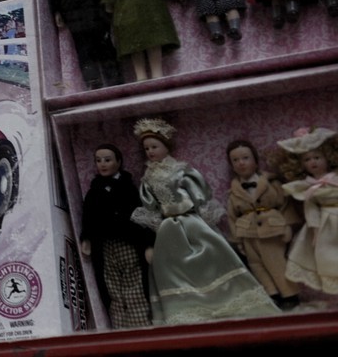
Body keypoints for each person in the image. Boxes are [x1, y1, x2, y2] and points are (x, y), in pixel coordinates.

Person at [130, 117, 280, 324]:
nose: (150, 152)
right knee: (173, 269)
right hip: (168, 229)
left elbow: (199, 195)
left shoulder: (181, 170)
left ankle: (228, 302)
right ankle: (187, 310)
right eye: (146, 149)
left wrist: (206, 220)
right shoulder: (147, 178)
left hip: (192, 222)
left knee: (212, 256)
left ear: (166, 146)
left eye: (154, 146)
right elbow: (149, 207)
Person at [79, 144, 151, 328]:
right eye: (98, 160)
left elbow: (141, 214)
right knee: (110, 285)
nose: (102, 164)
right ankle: (120, 327)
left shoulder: (128, 187)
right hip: (105, 245)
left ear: (119, 162)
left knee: (134, 280)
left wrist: (149, 242)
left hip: (128, 242)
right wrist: (86, 237)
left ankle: (141, 322)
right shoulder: (94, 191)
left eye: (108, 160)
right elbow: (88, 216)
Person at [225, 139, 299, 309]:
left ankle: (290, 295)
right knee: (256, 265)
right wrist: (237, 240)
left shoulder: (271, 183)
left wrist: (288, 225)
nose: (241, 163)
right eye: (235, 160)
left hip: (271, 230)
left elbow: (285, 205)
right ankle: (271, 294)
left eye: (245, 158)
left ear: (255, 160)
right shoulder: (234, 191)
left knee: (276, 262)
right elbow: (232, 217)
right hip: (248, 233)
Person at [275, 125, 338, 293]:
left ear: (328, 157)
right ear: (300, 164)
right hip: (326, 224)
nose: (313, 162)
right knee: (328, 254)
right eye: (307, 160)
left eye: (317, 157)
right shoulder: (307, 186)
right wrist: (315, 231)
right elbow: (311, 210)